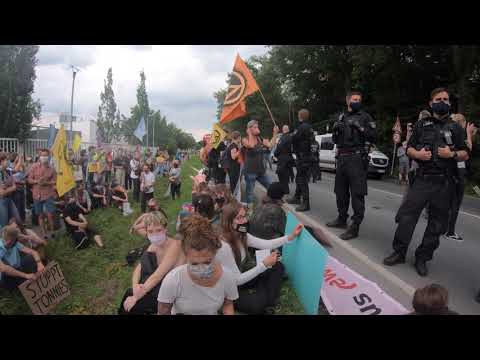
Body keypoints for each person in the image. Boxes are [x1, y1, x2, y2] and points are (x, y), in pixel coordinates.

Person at [383, 88, 469, 277]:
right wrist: (418, 154)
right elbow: (409, 149)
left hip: (444, 183)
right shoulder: (422, 124)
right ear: (431, 103)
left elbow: (465, 153)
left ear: (449, 103)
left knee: (437, 225)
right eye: (439, 99)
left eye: (446, 99)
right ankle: (399, 252)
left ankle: (422, 258)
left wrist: (451, 154)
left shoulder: (455, 127)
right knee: (407, 217)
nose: (443, 102)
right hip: (422, 179)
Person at [218, 202, 303, 314]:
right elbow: (236, 280)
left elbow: (266, 244)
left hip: (241, 278)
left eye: (244, 216)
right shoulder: (224, 246)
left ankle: (268, 301)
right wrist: (263, 265)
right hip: (229, 290)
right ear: (228, 222)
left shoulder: (242, 235)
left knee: (277, 266)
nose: (244, 221)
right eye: (239, 218)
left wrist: (290, 237)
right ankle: (265, 296)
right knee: (257, 304)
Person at [157, 213, 238, 315]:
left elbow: (228, 305)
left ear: (215, 253)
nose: (201, 268)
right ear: (186, 256)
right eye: (194, 264)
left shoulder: (227, 278)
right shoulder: (173, 280)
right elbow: (163, 311)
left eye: (207, 262)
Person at [326, 91, 377, 240]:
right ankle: (342, 219)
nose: (357, 101)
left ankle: (354, 227)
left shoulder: (365, 117)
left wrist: (360, 128)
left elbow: (374, 136)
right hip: (342, 157)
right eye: (354, 99)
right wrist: (335, 131)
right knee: (340, 192)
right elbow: (335, 140)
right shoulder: (341, 117)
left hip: (356, 157)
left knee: (357, 194)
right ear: (348, 100)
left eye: (359, 100)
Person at [120, 211, 184, 315]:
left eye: (159, 230)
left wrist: (136, 297)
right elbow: (139, 268)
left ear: (165, 229)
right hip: (157, 287)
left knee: (133, 306)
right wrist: (135, 286)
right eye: (150, 231)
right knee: (129, 293)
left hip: (171, 292)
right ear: (146, 232)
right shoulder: (153, 245)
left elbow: (158, 275)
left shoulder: (175, 245)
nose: (155, 235)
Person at [443, 113, 474, 242]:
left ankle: (442, 228)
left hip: (451, 173)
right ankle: (450, 232)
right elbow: (468, 150)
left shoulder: (448, 132)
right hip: (458, 173)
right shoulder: (459, 134)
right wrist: (469, 133)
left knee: (448, 202)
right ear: (463, 123)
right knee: (455, 204)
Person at [242, 120, 279, 204]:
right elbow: (250, 146)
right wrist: (250, 134)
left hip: (261, 171)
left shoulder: (260, 139)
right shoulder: (245, 139)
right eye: (255, 127)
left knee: (271, 187)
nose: (257, 128)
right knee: (250, 194)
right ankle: (249, 211)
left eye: (257, 127)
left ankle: (271, 204)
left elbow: (271, 145)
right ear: (249, 129)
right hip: (250, 172)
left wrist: (275, 133)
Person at [287, 109, 317, 212]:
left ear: (300, 116)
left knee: (302, 179)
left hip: (303, 157)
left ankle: (306, 202)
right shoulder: (309, 127)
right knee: (299, 177)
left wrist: (287, 134)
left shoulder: (301, 127)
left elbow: (293, 138)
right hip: (306, 156)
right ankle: (296, 197)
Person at [0, 224, 44, 290]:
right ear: (9, 241)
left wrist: (39, 263)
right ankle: (19, 289)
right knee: (6, 275)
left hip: (18, 268)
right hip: (6, 277)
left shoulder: (14, 243)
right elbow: (5, 269)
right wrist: (26, 275)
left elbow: (33, 252)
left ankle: (34, 279)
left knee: (30, 258)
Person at [27, 149, 57, 239]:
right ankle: (44, 234)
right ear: (39, 156)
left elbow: (55, 181)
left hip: (48, 194)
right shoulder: (34, 167)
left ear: (48, 157)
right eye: (42, 155)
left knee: (50, 214)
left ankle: (52, 232)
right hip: (37, 194)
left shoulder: (51, 168)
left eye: (46, 156)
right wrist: (37, 181)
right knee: (40, 215)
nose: (44, 157)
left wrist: (46, 183)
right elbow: (29, 179)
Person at [274, 125, 294, 195]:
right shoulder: (291, 137)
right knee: (286, 175)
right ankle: (285, 190)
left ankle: (285, 191)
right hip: (289, 157)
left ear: (283, 129)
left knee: (282, 175)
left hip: (283, 159)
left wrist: (275, 153)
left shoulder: (284, 137)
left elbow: (279, 147)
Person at [224, 131, 242, 195]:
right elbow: (233, 157)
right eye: (240, 137)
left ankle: (232, 197)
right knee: (233, 184)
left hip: (232, 167)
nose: (241, 139)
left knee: (233, 184)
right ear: (238, 137)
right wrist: (240, 150)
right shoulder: (233, 146)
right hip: (233, 168)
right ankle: (232, 198)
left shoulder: (232, 145)